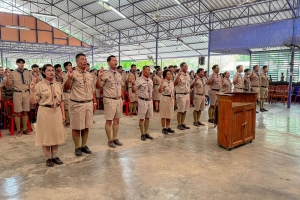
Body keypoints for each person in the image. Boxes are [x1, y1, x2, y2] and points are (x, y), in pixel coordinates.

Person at [30, 64, 66, 167]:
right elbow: (33, 101)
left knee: (55, 134)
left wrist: (63, 114)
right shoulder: (39, 85)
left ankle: (54, 156)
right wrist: (31, 90)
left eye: (52, 70)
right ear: (44, 72)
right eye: (49, 70)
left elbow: (62, 100)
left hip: (56, 111)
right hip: (45, 111)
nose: (51, 72)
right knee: (46, 135)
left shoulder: (58, 85)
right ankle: (48, 158)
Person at [64, 53, 97, 156]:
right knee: (77, 127)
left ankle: (84, 145)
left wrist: (94, 102)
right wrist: (69, 78)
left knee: (87, 126)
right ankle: (77, 147)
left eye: (85, 59)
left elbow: (92, 90)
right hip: (77, 104)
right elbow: (66, 88)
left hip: (88, 103)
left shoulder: (89, 75)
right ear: (77, 61)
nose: (84, 61)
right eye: (82, 59)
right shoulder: (71, 73)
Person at [96, 55, 124, 148]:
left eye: (116, 60)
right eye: (113, 60)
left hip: (118, 100)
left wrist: (122, 98)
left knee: (117, 120)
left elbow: (121, 87)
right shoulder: (105, 74)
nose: (115, 62)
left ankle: (115, 138)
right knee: (109, 121)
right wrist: (99, 77)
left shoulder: (119, 74)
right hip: (109, 100)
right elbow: (98, 86)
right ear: (108, 62)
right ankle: (109, 140)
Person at [6, 58, 31, 136]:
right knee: (18, 112)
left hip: (26, 93)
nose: (21, 64)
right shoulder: (13, 73)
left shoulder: (27, 72)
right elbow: (8, 84)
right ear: (17, 64)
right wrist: (8, 76)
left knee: (25, 112)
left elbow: (30, 83)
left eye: (23, 63)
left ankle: (25, 129)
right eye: (20, 63)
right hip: (17, 93)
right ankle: (19, 130)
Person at [131, 66, 154, 141]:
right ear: (143, 71)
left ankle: (146, 132)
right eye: (147, 70)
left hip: (149, 101)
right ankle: (142, 133)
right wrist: (132, 84)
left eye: (149, 70)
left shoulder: (150, 80)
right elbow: (134, 91)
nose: (148, 71)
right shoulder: (139, 80)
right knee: (142, 118)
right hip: (142, 101)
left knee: (148, 117)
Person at [174, 62, 191, 130]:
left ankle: (182, 123)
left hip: (187, 94)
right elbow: (175, 83)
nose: (186, 67)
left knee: (185, 110)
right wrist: (178, 75)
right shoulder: (178, 74)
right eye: (185, 66)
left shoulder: (187, 75)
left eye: (187, 66)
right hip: (181, 95)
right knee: (180, 110)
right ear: (181, 67)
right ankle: (179, 124)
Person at [159, 70, 175, 134]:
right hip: (164, 98)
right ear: (165, 75)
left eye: (170, 74)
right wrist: (161, 84)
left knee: (169, 113)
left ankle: (168, 127)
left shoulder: (171, 82)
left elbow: (173, 91)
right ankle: (163, 128)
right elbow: (159, 91)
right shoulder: (163, 82)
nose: (170, 75)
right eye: (168, 74)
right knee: (163, 114)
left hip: (170, 98)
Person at [62, 62, 72, 126]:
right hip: (65, 92)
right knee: (66, 107)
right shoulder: (63, 74)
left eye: (71, 65)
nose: (70, 66)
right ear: (65, 67)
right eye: (68, 65)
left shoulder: (73, 73)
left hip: (72, 92)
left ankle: (72, 120)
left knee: (72, 107)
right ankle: (67, 121)